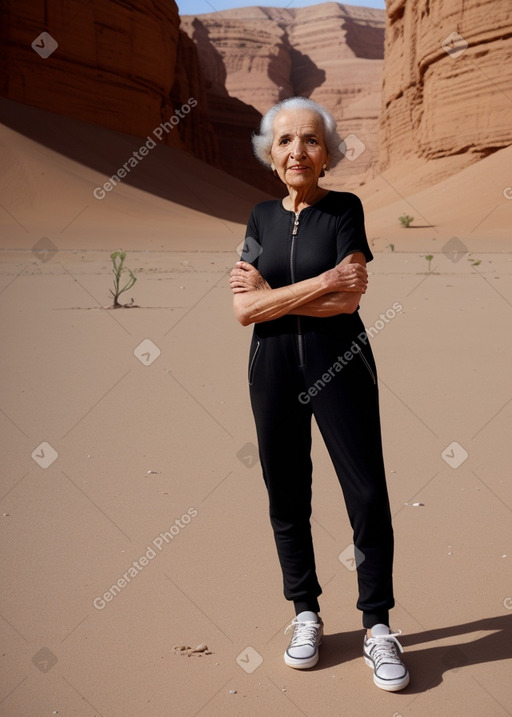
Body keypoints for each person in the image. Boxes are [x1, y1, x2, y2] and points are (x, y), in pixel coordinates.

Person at [230, 96, 409, 692]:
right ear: (270, 155)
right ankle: (304, 613)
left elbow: (350, 299)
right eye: (284, 141)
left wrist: (275, 296)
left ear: (326, 153)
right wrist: (322, 281)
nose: (297, 151)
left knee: (365, 491)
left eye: (310, 140)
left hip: (342, 362)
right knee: (286, 490)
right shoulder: (258, 217)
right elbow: (241, 309)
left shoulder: (344, 212)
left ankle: (378, 625)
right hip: (272, 368)